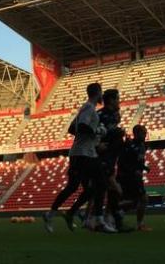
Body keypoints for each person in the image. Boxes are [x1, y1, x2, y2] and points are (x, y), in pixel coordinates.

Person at [44, 83, 115, 233]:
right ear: (98, 93)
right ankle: (99, 220)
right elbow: (82, 126)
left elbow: (72, 128)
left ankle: (55, 214)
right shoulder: (89, 108)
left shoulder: (86, 108)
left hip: (83, 152)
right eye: (101, 93)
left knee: (80, 188)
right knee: (101, 183)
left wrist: (88, 138)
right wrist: (97, 132)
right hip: (83, 154)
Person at [97, 89, 127, 230]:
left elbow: (112, 131)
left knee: (109, 189)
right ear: (110, 101)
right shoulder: (99, 115)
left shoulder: (115, 115)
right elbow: (90, 134)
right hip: (102, 158)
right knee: (115, 190)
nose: (119, 101)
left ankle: (105, 218)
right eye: (117, 99)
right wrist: (98, 144)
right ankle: (107, 218)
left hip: (112, 158)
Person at [118, 125, 151, 232]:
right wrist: (134, 170)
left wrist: (144, 167)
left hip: (135, 176)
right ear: (137, 133)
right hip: (130, 177)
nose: (145, 135)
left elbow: (137, 161)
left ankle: (116, 214)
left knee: (134, 201)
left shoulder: (141, 145)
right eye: (143, 133)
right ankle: (114, 211)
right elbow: (123, 162)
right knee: (142, 199)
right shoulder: (129, 145)